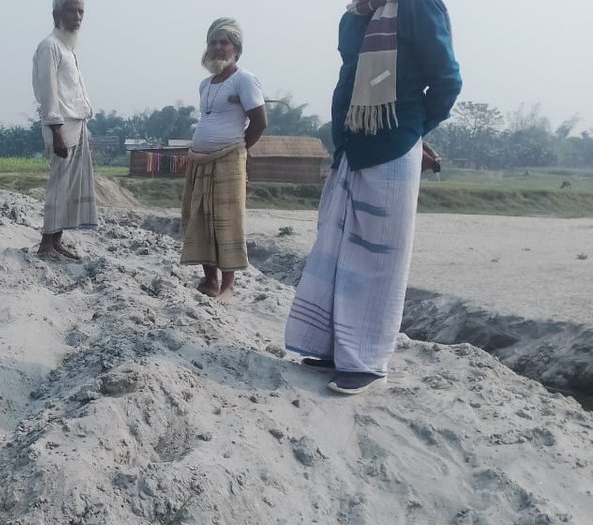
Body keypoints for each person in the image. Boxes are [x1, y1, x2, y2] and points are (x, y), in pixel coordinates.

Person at [285, 0, 461, 395]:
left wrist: (413, 131)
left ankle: (364, 362)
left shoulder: (418, 6)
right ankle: (332, 348)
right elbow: (351, 72)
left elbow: (447, 80)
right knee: (337, 247)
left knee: (378, 257)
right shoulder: (354, 15)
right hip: (350, 146)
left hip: (392, 148)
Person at [180, 18, 268, 303]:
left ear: (236, 49)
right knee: (201, 217)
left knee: (227, 221)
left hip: (229, 159)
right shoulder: (205, 84)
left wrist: (239, 149)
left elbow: (259, 122)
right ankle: (210, 280)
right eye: (213, 42)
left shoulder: (244, 79)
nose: (218, 48)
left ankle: (228, 286)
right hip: (200, 161)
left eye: (224, 42)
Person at [33, 0, 96, 261]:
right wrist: (56, 132)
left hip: (76, 123)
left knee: (70, 186)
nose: (78, 16)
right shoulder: (49, 46)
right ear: (57, 14)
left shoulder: (68, 47)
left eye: (81, 11)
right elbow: (49, 93)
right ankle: (47, 243)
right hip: (61, 126)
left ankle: (56, 240)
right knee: (59, 185)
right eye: (73, 10)